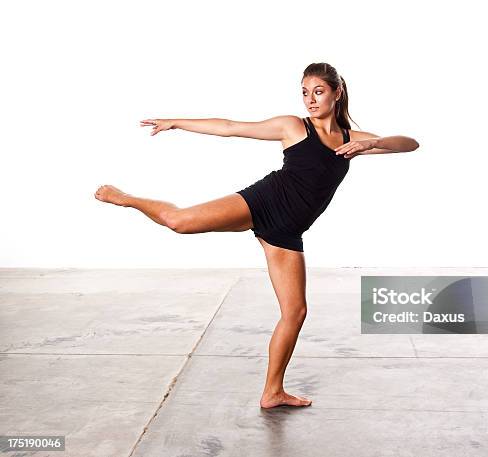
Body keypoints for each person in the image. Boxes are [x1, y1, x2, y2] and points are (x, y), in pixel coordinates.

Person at [94, 62, 420, 409]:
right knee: (179, 222)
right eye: (305, 92)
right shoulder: (294, 127)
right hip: (262, 202)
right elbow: (231, 128)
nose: (310, 99)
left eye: (318, 91)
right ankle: (125, 198)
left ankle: (273, 392)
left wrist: (373, 145)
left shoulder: (350, 140)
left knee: (295, 312)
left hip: (287, 231)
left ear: (337, 92)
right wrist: (177, 122)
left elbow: (410, 143)